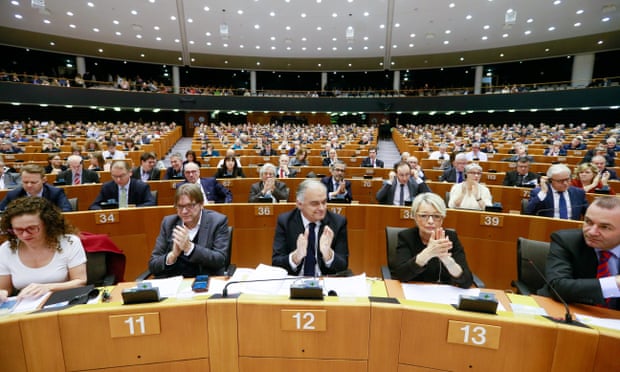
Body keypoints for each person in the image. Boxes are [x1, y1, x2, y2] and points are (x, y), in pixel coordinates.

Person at [539, 196, 620, 309]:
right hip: (568, 309)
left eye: (604, 227)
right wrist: (614, 283)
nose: (592, 232)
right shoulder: (566, 241)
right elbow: (557, 286)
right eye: (588, 222)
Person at [0, 197, 87, 301]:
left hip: (64, 301)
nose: (25, 234)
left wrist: (47, 288)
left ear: (47, 224)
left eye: (32, 228)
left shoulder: (69, 242)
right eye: (18, 230)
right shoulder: (6, 249)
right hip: (25, 306)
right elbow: (4, 288)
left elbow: (80, 281)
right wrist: (2, 293)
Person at [148, 184, 230, 278]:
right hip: (174, 282)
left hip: (203, 281)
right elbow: (153, 265)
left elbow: (220, 260)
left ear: (201, 204)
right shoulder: (168, 223)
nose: (184, 211)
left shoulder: (217, 221)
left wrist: (190, 248)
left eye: (190, 206)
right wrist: (173, 255)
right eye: (180, 206)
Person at [392, 193, 474, 288]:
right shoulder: (406, 236)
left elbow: (467, 282)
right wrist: (428, 253)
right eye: (423, 216)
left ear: (442, 219)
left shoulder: (451, 238)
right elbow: (401, 275)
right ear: (414, 217)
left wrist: (447, 260)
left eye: (436, 216)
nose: (430, 221)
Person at [272, 179, 349, 276]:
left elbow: (343, 266)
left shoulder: (338, 222)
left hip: (325, 281)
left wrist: (328, 255)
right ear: (299, 204)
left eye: (324, 202)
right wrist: (296, 257)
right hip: (295, 281)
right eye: (315, 204)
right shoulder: (285, 221)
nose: (322, 208)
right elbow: (276, 263)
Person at [0, 164, 72, 212]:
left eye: (33, 182)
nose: (29, 185)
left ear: (43, 180)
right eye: (25, 182)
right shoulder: (13, 194)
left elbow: (66, 211)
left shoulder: (55, 192)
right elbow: (1, 211)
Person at [89, 160, 156, 209]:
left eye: (121, 176)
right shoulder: (107, 187)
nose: (118, 179)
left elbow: (151, 203)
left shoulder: (141, 186)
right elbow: (93, 206)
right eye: (115, 176)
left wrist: (134, 209)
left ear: (130, 173)